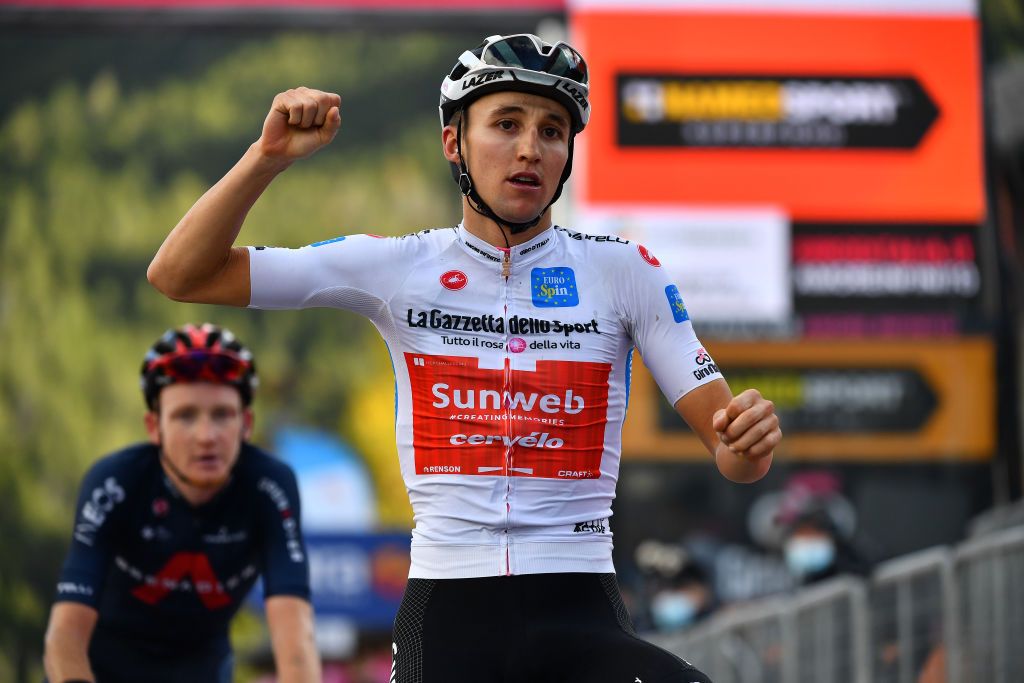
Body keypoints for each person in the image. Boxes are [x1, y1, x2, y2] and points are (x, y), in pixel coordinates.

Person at [147, 33, 782, 683]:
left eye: (553, 130)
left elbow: (734, 453)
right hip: (450, 614)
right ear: (455, 143)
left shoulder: (625, 272)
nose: (531, 147)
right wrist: (266, 157)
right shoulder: (398, 267)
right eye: (506, 124)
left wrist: (749, 439)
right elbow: (180, 274)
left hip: (581, 607)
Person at [43, 323, 321, 683]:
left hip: (198, 670)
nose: (206, 436)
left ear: (246, 424)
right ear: (153, 426)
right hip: (98, 667)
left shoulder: (271, 488)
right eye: (185, 416)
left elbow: (296, 638)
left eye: (223, 415)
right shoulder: (114, 483)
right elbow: (64, 635)